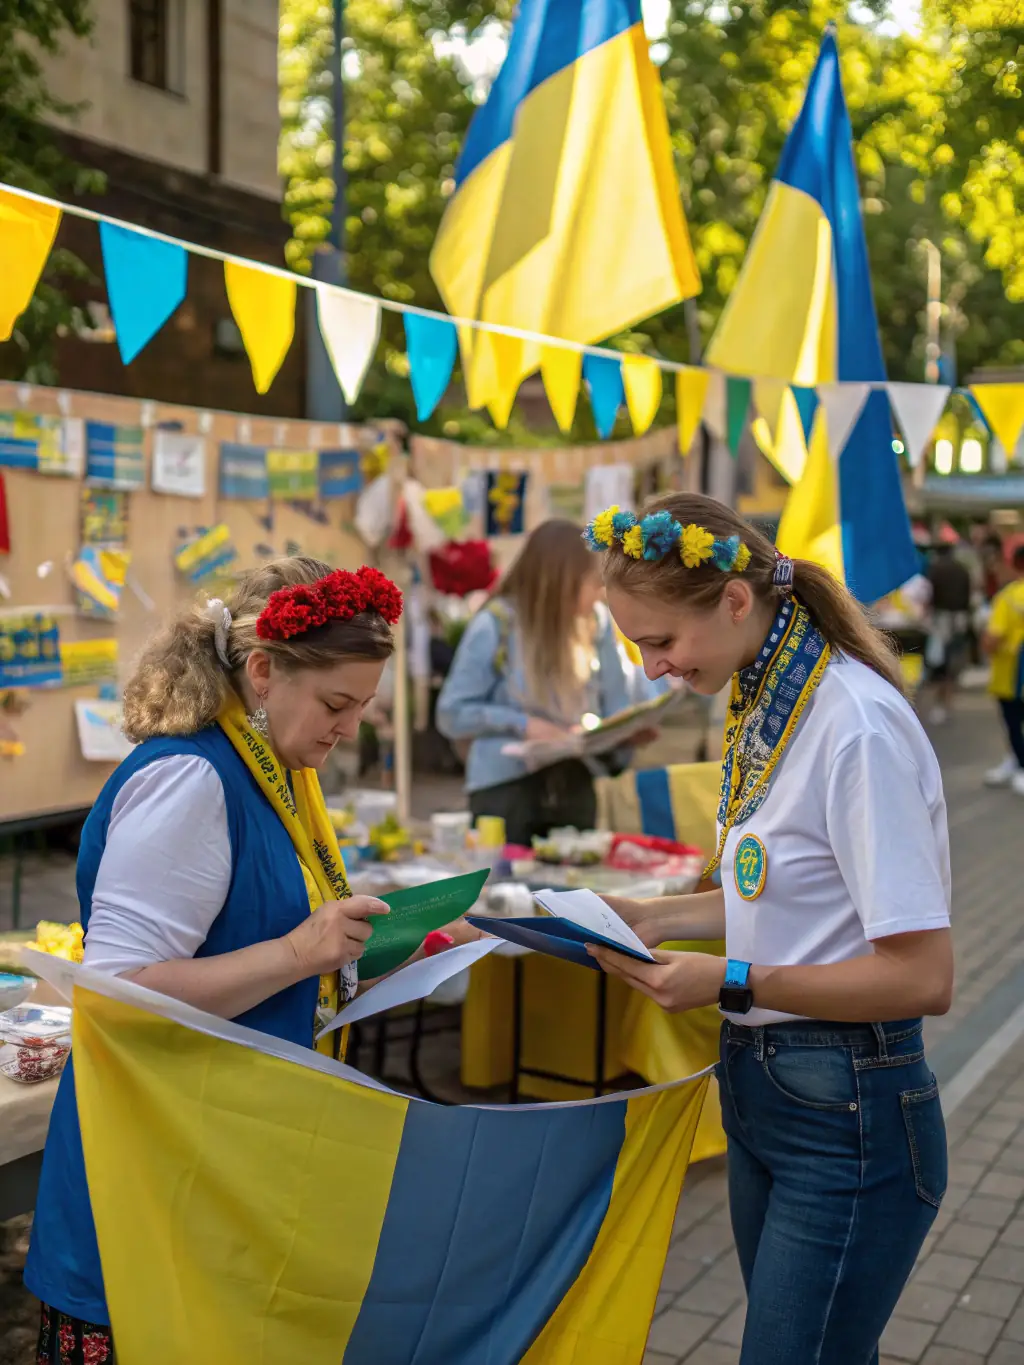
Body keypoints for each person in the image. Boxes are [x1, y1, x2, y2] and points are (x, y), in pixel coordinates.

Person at [25, 557, 474, 1361]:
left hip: (221, 1161)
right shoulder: (194, 778)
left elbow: (266, 933)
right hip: (153, 1171)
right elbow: (117, 994)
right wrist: (298, 951)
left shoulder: (274, 766)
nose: (350, 727)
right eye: (338, 703)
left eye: (365, 707)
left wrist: (409, 938)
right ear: (262, 671)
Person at [582, 494, 952, 1365]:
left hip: (848, 1101)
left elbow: (922, 975)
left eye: (661, 642)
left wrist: (730, 980)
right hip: (769, 1087)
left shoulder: (852, 723)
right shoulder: (768, 695)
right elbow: (788, 896)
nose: (652, 668)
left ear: (736, 602)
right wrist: (655, 915)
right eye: (638, 644)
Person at [436, 518, 665, 846]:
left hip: (575, 786)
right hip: (505, 790)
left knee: (572, 890)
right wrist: (524, 723)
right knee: (506, 892)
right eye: (592, 582)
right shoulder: (497, 624)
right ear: (561, 581)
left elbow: (615, 706)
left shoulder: (596, 624)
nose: (598, 595)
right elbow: (451, 713)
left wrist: (625, 734)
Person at [982, 543, 1024, 791]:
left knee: (1013, 722)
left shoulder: (1008, 598)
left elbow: (993, 638)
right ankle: (1014, 760)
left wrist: (984, 640)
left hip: (1012, 676)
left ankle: (1020, 765)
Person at [921, 532, 972, 725]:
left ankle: (938, 704)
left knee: (938, 663)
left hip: (941, 619)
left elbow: (929, 597)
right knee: (952, 662)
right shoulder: (962, 569)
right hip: (960, 618)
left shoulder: (935, 569)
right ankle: (948, 703)